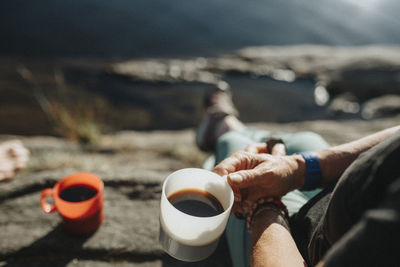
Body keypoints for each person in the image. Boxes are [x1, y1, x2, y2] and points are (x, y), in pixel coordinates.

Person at [196, 86, 400, 266]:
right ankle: (229, 123)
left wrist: (264, 204)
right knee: (305, 139)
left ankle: (222, 124)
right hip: (337, 191)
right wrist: (297, 168)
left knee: (232, 144)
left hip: (293, 242)